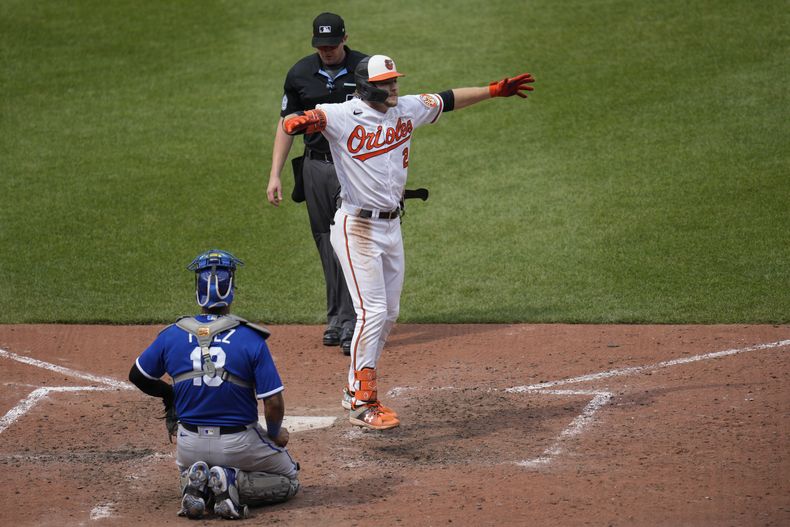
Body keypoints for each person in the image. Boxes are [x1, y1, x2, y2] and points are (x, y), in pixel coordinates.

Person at [282, 55, 535, 430]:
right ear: (367, 87)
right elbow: (305, 119)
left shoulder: (406, 109)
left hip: (391, 227)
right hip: (356, 228)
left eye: (395, 81)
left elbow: (447, 98)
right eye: (387, 83)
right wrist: (300, 121)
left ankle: (355, 390)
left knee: (390, 313)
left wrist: (494, 91)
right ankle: (364, 399)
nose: (395, 87)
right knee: (373, 311)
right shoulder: (340, 115)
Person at [128, 249, 300, 520]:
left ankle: (195, 484)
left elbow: (138, 376)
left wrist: (170, 395)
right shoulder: (250, 339)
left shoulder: (172, 335)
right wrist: (276, 433)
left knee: (193, 464)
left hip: (189, 444)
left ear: (197, 290)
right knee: (290, 478)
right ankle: (231, 481)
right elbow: (274, 402)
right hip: (239, 444)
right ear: (231, 289)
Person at [266, 12, 367, 355]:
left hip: (353, 169)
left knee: (348, 239)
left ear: (344, 39)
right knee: (326, 241)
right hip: (316, 167)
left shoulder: (366, 69)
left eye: (332, 44)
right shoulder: (299, 73)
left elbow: (388, 115)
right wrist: (275, 174)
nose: (326, 51)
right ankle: (337, 318)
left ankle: (352, 320)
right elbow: (287, 124)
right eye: (320, 45)